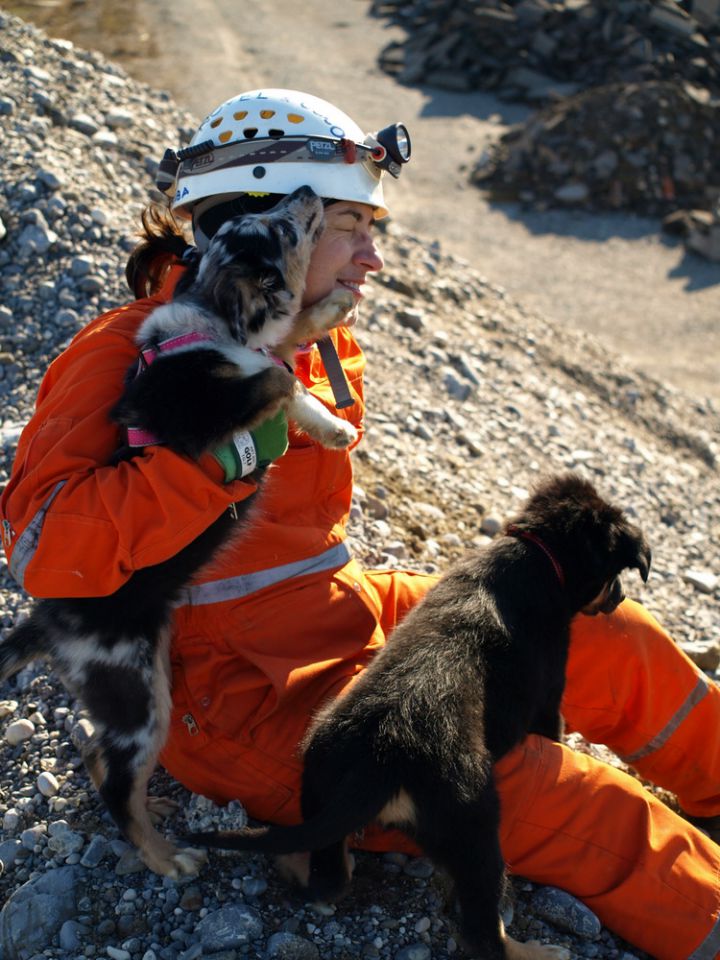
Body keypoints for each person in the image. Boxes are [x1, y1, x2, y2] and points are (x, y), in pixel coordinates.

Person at [1, 89, 719, 960]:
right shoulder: (123, 355)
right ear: (267, 226)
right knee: (548, 788)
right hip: (235, 701)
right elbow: (43, 551)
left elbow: (293, 539)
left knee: (612, 633)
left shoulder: (316, 336)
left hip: (339, 615)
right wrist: (212, 462)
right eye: (350, 227)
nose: (373, 260)